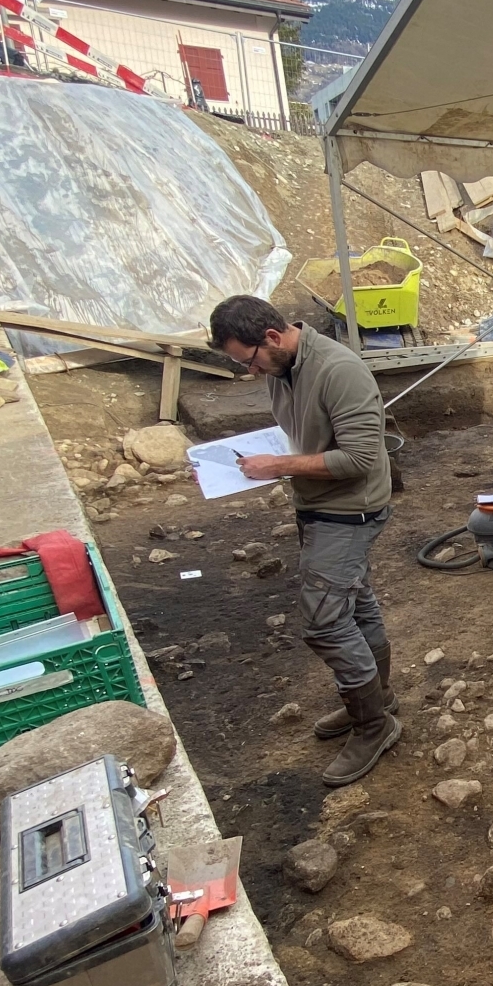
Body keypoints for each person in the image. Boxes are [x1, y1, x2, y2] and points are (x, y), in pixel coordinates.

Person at [208, 295, 398, 787]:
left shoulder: (340, 370)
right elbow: (304, 435)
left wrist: (278, 466)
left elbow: (358, 458)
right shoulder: (283, 369)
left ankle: (373, 725)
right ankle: (380, 696)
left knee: (325, 622)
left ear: (272, 338)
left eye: (248, 361)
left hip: (349, 508)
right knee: (355, 603)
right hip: (317, 505)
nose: (250, 373)